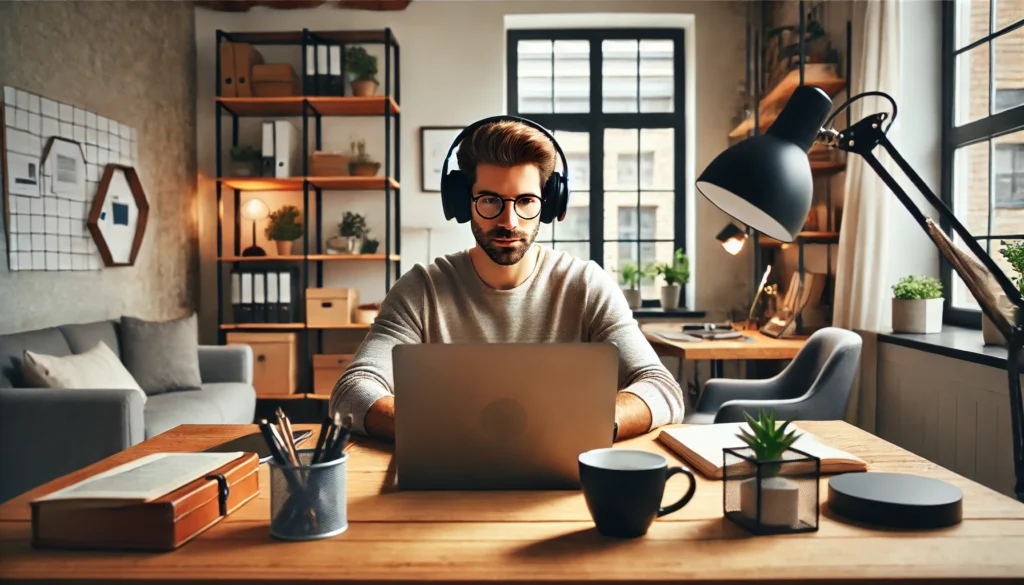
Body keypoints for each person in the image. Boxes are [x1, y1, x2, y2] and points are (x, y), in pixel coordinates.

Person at [330, 118, 684, 441]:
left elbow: (661, 387)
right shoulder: (420, 290)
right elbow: (352, 391)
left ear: (548, 204)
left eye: (526, 201)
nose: (509, 221)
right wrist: (437, 428)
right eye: (489, 200)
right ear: (462, 201)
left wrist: (589, 423)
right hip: (448, 483)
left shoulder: (586, 285)